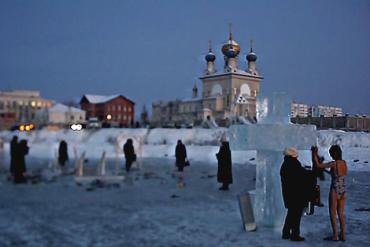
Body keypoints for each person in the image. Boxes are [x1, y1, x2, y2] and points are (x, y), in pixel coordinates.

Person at [312, 145, 347, 242]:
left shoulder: (334, 163)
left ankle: (335, 235)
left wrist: (314, 153)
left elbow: (318, 165)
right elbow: (338, 175)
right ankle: (343, 235)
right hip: (343, 190)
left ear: (334, 154)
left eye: (331, 153)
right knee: (340, 213)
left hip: (335, 189)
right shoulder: (344, 163)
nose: (331, 155)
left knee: (332, 213)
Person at [280, 147, 311, 241]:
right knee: (296, 215)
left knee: (291, 214)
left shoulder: (286, 164)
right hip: (296, 194)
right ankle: (295, 234)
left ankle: (286, 232)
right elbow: (301, 175)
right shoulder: (293, 164)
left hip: (289, 193)